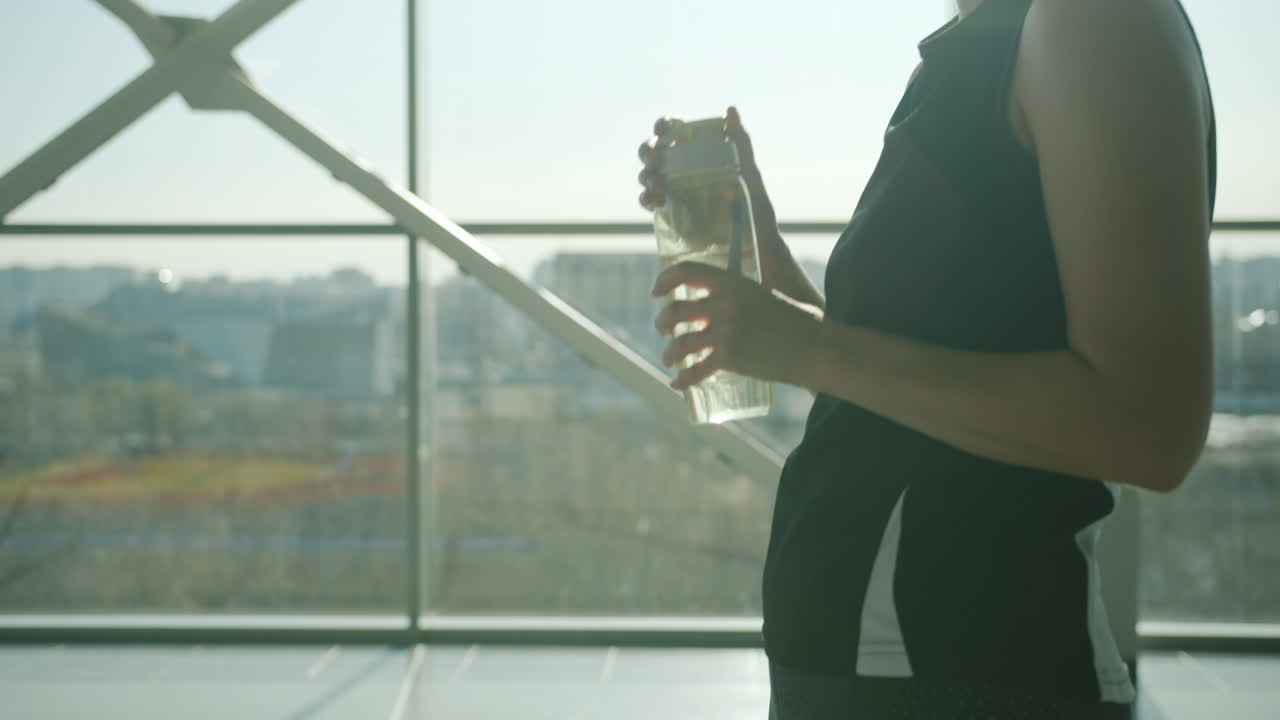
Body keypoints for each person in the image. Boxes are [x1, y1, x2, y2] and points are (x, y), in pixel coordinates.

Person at [636, 0, 1216, 717]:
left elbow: (1150, 426)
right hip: (875, 661)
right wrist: (762, 248)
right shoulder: (981, 49)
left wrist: (809, 348)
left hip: (961, 668)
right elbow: (893, 387)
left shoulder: (1090, 16)